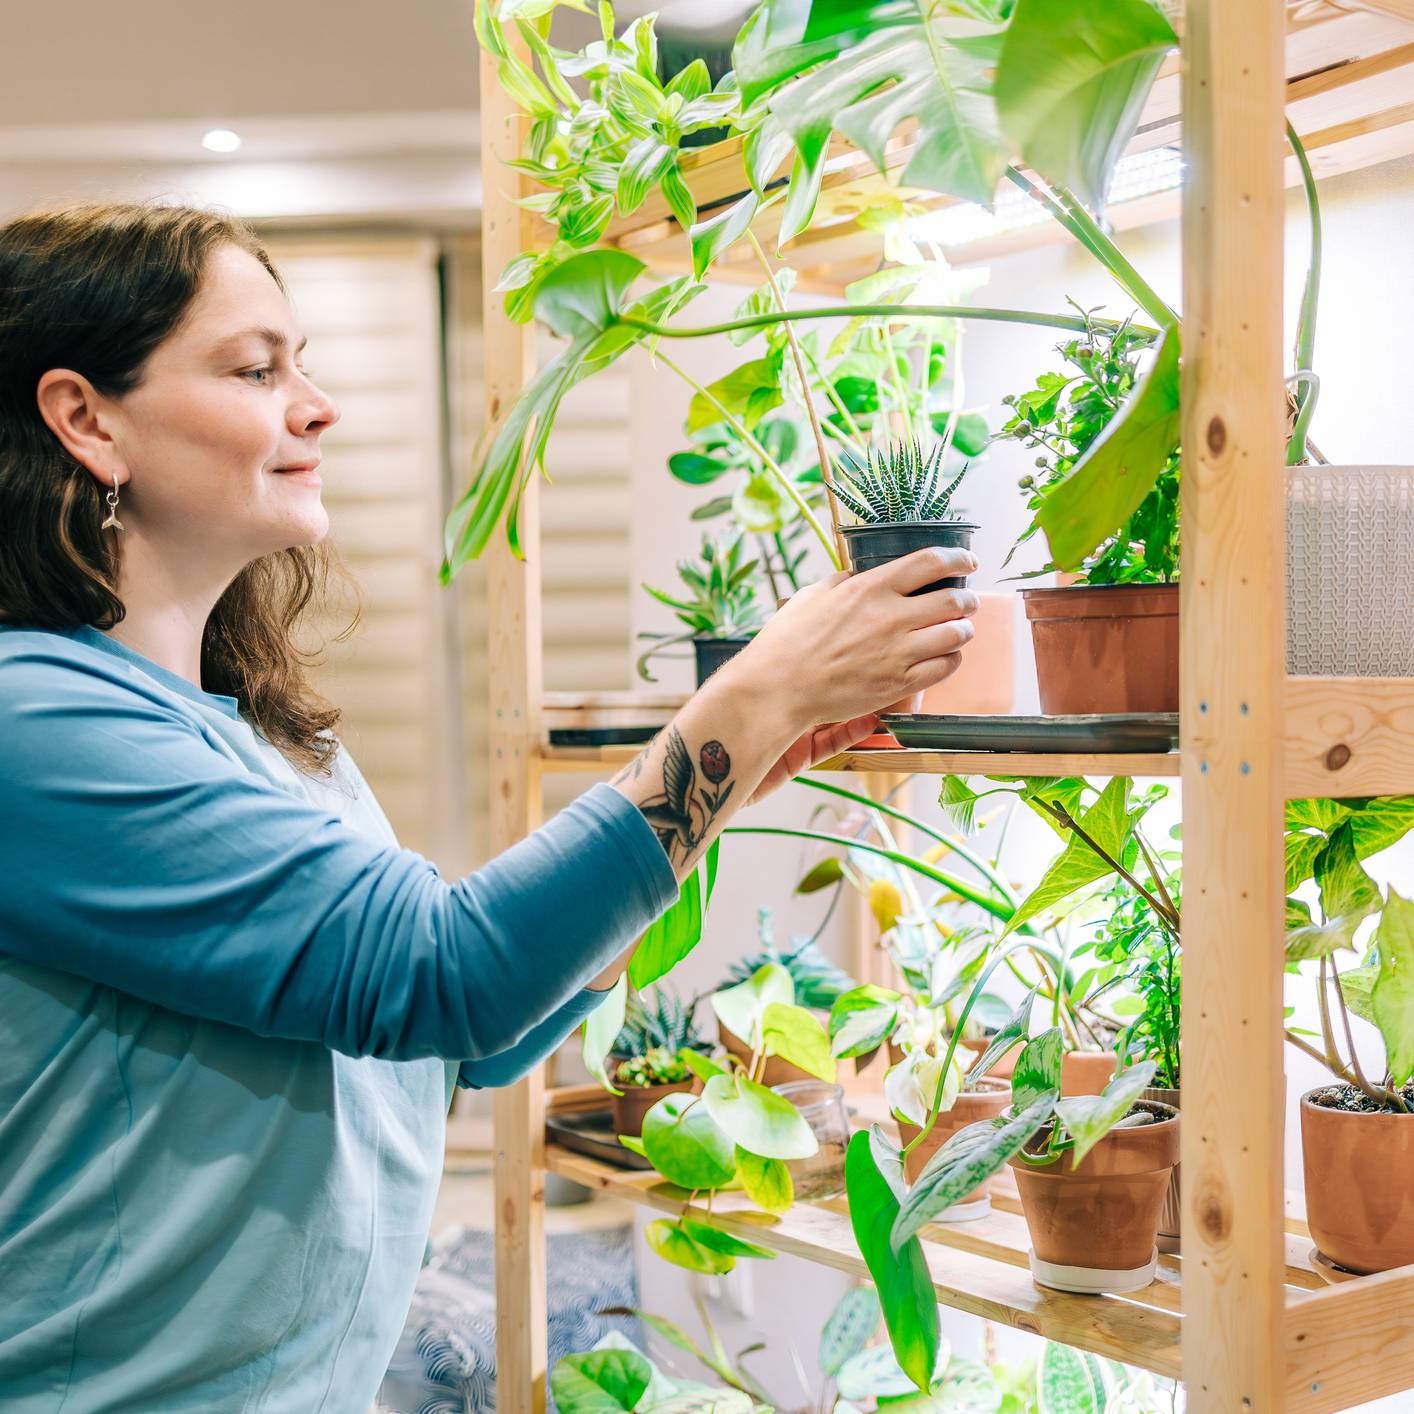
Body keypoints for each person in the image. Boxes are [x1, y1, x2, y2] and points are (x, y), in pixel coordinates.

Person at [0, 202, 980, 1412]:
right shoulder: (29, 724)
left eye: (305, 364)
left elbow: (480, 1034)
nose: (317, 406)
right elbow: (443, 970)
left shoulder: (267, 739)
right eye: (257, 368)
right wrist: (752, 696)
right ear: (85, 418)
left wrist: (732, 773)